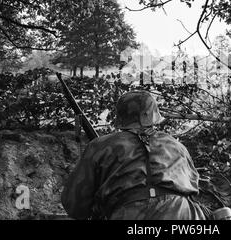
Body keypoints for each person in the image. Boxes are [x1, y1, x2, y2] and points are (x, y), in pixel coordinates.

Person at [61, 90, 206, 220]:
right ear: (154, 116)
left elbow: (75, 205)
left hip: (130, 213)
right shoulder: (176, 146)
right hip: (182, 213)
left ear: (120, 117)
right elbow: (194, 188)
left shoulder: (100, 146)